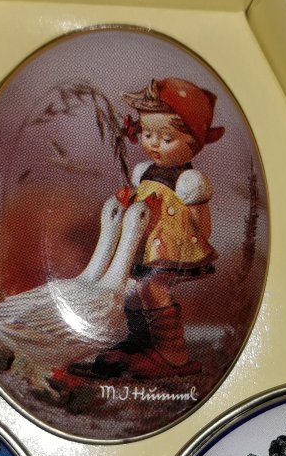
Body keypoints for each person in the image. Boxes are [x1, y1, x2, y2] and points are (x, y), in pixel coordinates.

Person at [72, 76, 224, 379]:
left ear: (194, 142)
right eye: (147, 134)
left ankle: (173, 354)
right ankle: (141, 342)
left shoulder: (189, 182)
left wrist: (191, 243)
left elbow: (201, 224)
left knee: (154, 288)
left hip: (168, 248)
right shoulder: (143, 173)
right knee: (133, 288)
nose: (153, 144)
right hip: (143, 243)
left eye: (167, 139)